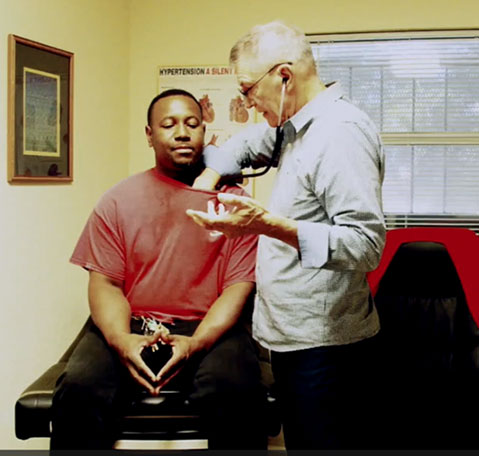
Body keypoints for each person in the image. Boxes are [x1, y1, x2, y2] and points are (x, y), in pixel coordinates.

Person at [187, 21, 386, 450]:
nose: (247, 102)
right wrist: (209, 175)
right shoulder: (295, 127)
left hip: (326, 349)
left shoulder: (338, 133)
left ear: (283, 76)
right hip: (294, 340)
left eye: (247, 89)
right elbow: (246, 145)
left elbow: (366, 244)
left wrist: (267, 226)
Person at [50, 89, 267, 450]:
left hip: (209, 326)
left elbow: (237, 288)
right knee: (80, 389)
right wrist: (122, 341)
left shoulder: (235, 204)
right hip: (133, 322)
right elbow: (105, 284)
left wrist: (197, 343)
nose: (182, 133)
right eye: (169, 125)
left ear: (203, 131)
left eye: (192, 124)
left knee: (236, 390)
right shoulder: (118, 201)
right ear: (149, 135)